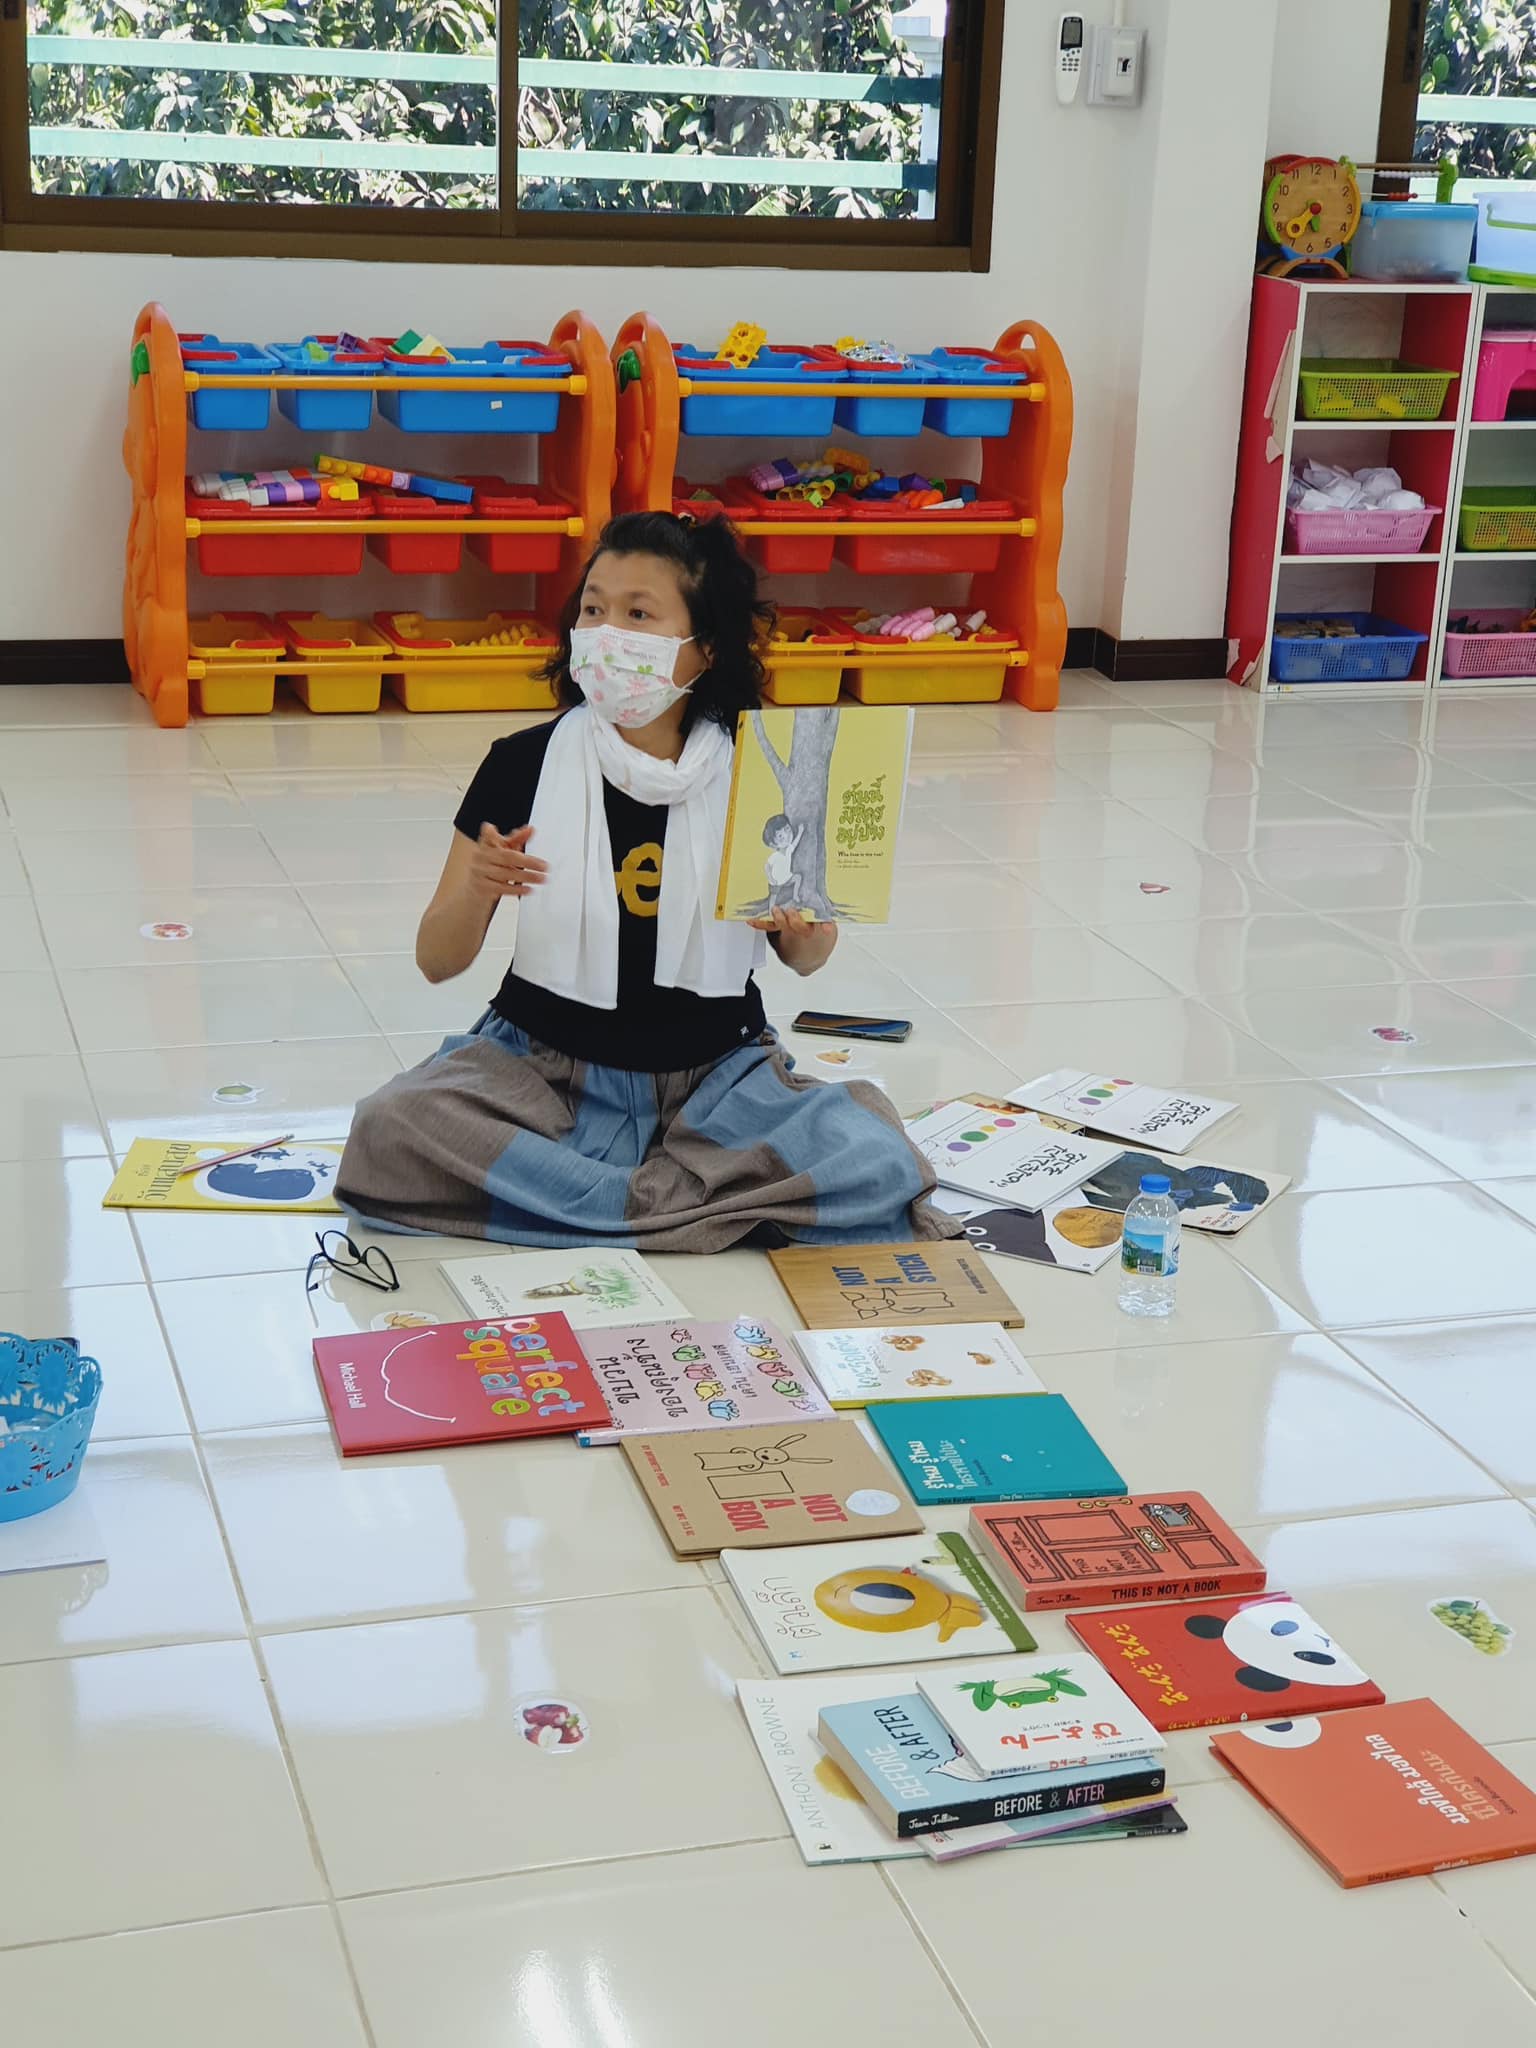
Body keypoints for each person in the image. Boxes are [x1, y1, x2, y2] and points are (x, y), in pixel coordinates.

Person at [337, 510, 956, 1253]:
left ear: (706, 646)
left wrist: (803, 928)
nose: (607, 634)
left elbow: (807, 958)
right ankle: (690, 1205)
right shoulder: (521, 763)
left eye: (638, 614)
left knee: (877, 1155)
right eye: (593, 610)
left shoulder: (762, 767)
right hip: (542, 1076)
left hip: (718, 1080)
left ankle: (600, 1202)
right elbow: (436, 960)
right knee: (388, 1129)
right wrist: (478, 884)